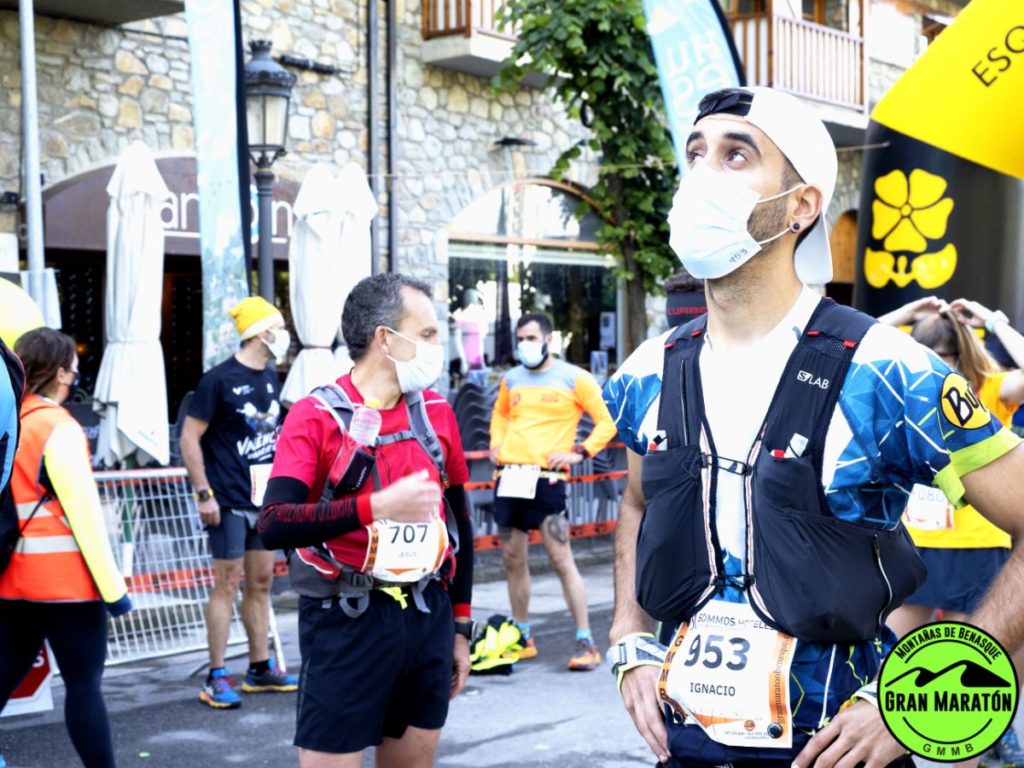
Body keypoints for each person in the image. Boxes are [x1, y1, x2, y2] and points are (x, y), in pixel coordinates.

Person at [602, 86, 1024, 768]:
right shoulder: (647, 371)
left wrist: (911, 703)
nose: (704, 175)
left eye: (736, 156)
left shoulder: (890, 371)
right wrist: (628, 636)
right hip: (685, 742)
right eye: (696, 154)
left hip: (836, 748)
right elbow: (637, 502)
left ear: (801, 206)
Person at [258, 272, 474, 768]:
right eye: (426, 334)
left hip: (427, 614)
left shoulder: (436, 412)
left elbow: (460, 522)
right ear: (385, 339)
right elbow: (274, 524)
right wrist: (377, 506)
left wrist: (461, 627)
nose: (437, 347)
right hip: (346, 619)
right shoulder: (315, 415)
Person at [881, 295, 1024, 768]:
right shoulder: (901, 387)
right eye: (927, 358)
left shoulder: (987, 391)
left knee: (968, 672)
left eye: (946, 359)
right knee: (886, 662)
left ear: (962, 355)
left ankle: (979, 747)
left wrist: (992, 321)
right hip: (915, 545)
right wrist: (903, 316)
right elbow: (849, 348)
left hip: (977, 545)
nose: (938, 368)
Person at [0, 328, 131, 768]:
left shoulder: (7, 419)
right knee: (83, 685)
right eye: (74, 368)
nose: (76, 375)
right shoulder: (58, 426)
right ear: (60, 373)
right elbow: (85, 515)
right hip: (67, 584)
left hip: (10, 580)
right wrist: (114, 592)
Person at [180, 295, 297, 709]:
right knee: (227, 584)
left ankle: (259, 667)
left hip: (262, 500)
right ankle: (216, 675)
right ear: (260, 333)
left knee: (262, 583)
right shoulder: (218, 380)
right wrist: (204, 493)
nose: (284, 334)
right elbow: (189, 437)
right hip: (226, 500)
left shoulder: (271, 378)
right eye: (278, 327)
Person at [489, 312, 617, 671]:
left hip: (547, 480)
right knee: (512, 559)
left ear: (548, 339)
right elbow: (500, 414)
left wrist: (581, 452)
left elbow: (607, 419)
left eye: (531, 338)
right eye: (520, 339)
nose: (524, 345)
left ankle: (586, 640)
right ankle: (522, 636)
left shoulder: (575, 377)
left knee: (561, 559)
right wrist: (496, 443)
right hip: (509, 478)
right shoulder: (511, 379)